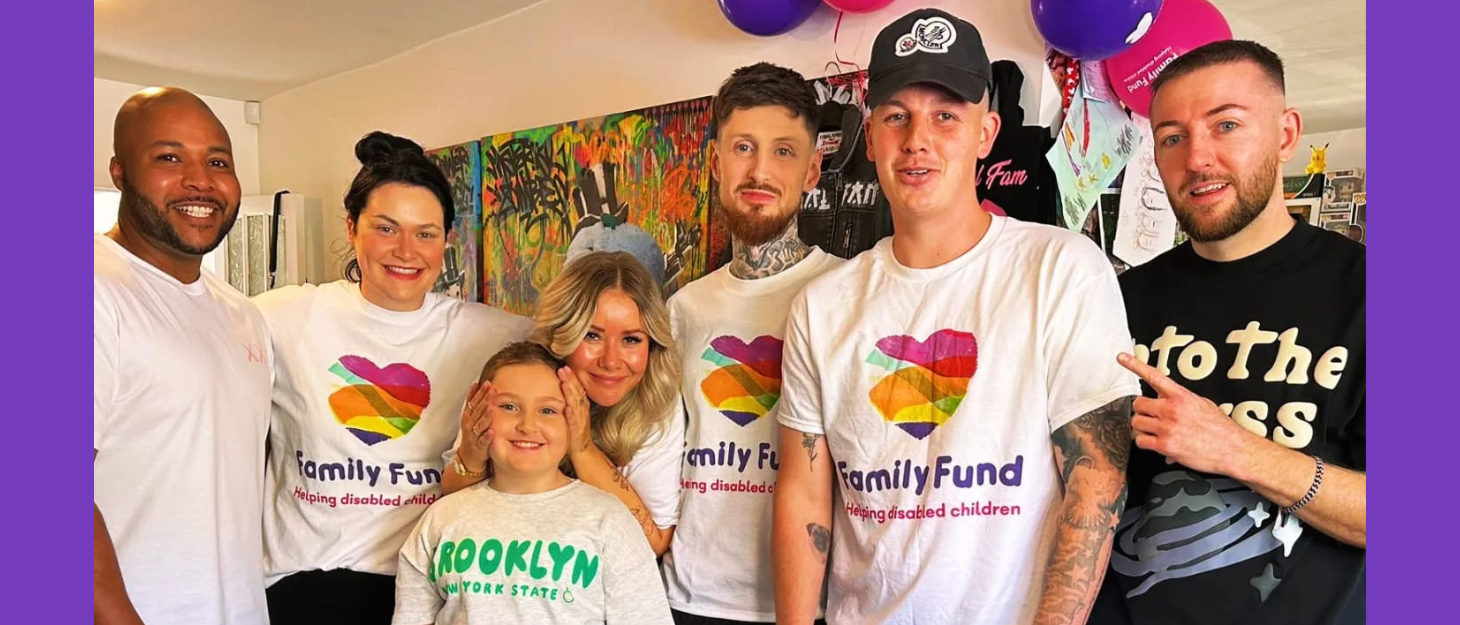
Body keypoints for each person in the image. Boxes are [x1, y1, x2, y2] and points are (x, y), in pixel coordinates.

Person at [772, 8, 1141, 625]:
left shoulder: (1061, 268)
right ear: (871, 138)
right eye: (896, 117)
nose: (918, 139)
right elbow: (804, 492)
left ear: (986, 133)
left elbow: (1097, 479)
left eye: (946, 115)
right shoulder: (823, 304)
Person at [1093, 40, 1366, 625]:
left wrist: (1238, 451)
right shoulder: (1114, 298)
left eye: (1226, 126)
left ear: (1286, 134)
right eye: (1171, 137)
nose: (1197, 159)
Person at [255, 131, 533, 625]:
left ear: (447, 239)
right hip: (307, 584)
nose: (407, 250)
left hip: (432, 588)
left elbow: (591, 356)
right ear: (352, 227)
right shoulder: (284, 317)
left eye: (425, 233)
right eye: (386, 228)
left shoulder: (494, 335)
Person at [660, 62, 845, 625]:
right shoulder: (681, 309)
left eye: (784, 151)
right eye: (743, 147)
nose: (760, 170)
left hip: (808, 603)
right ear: (716, 161)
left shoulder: (846, 295)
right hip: (686, 598)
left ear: (813, 170)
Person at [94, 86, 273, 625]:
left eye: (218, 161)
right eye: (169, 158)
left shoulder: (244, 315)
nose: (201, 181)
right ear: (119, 172)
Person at [393, 342, 675, 625]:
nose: (527, 425)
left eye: (548, 410)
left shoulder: (609, 520)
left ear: (575, 419)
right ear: (475, 412)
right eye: (509, 406)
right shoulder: (441, 519)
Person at [442, 251, 685, 556]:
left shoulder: (656, 401)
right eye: (591, 335)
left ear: (652, 344)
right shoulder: (519, 377)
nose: (611, 361)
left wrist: (582, 448)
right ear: (562, 332)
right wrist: (472, 454)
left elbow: (655, 541)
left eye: (631, 340)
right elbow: (450, 506)